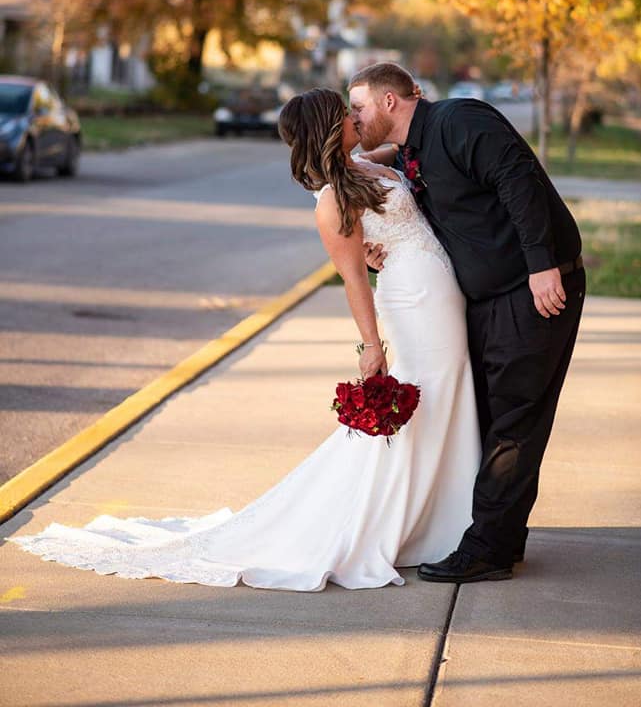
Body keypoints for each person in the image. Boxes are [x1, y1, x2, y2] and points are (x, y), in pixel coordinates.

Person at [9, 87, 481, 591]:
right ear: (327, 128)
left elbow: (402, 151)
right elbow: (353, 278)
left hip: (436, 292)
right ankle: (409, 525)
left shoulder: (367, 164)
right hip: (411, 305)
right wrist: (372, 346)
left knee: (448, 395)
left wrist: (413, 111)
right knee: (424, 402)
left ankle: (440, 518)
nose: (354, 118)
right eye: (345, 115)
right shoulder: (331, 201)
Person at [348, 61, 585, 584]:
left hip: (532, 290)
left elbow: (517, 180)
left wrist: (542, 265)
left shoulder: (460, 121)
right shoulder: (411, 150)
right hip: (484, 300)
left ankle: (488, 550)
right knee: (491, 416)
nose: (354, 117)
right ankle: (503, 536)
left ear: (390, 101)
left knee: (515, 418)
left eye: (359, 106)